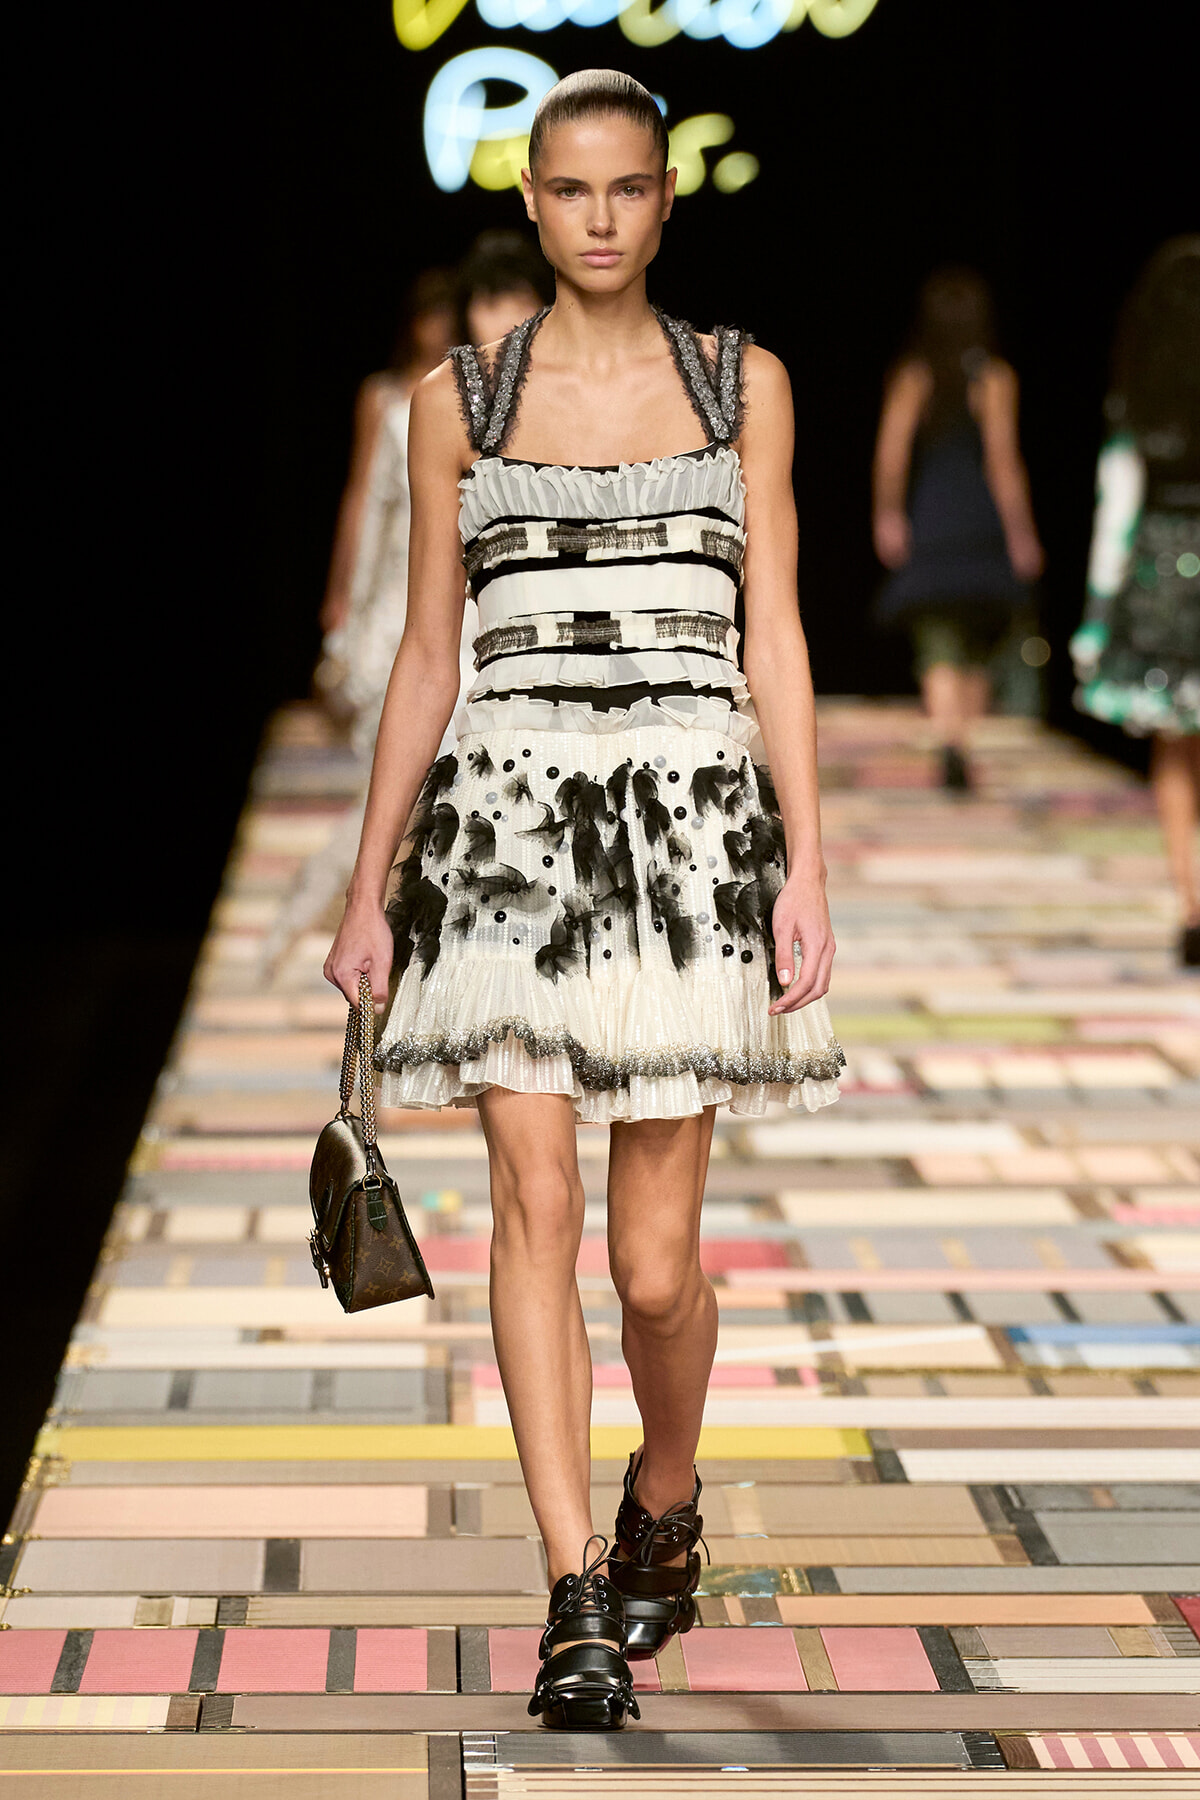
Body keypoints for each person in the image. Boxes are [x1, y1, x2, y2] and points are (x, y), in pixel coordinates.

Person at [325, 69, 843, 1730]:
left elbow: (775, 628)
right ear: (533, 202)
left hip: (694, 833)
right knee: (532, 1209)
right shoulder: (453, 401)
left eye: (631, 190)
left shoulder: (741, 383)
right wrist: (367, 886)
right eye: (574, 192)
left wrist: (810, 860)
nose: (603, 218)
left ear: (666, 200)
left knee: (656, 1265)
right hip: (505, 835)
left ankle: (665, 1494)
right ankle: (570, 1589)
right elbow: (424, 653)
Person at [263, 245, 552, 979]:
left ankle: (424, 932)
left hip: (493, 619)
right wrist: (343, 601)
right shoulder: (410, 402)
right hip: (406, 612)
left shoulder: (552, 402)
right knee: (416, 780)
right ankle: (374, 917)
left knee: (463, 785)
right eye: (485, 302)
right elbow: (366, 504)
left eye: (514, 298)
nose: (499, 317)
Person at [1071, 237, 1200, 967]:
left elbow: (1117, 504)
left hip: (1160, 567)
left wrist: (1098, 614)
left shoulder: (1142, 395)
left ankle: (1189, 899)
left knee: (1174, 740)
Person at [872, 268, 1044, 790]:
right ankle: (963, 737)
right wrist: (1021, 534)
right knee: (975, 631)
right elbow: (1003, 461)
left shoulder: (913, 376)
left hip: (933, 516)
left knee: (937, 636)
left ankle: (950, 738)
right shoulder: (994, 378)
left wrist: (888, 513)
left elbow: (891, 454)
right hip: (980, 517)